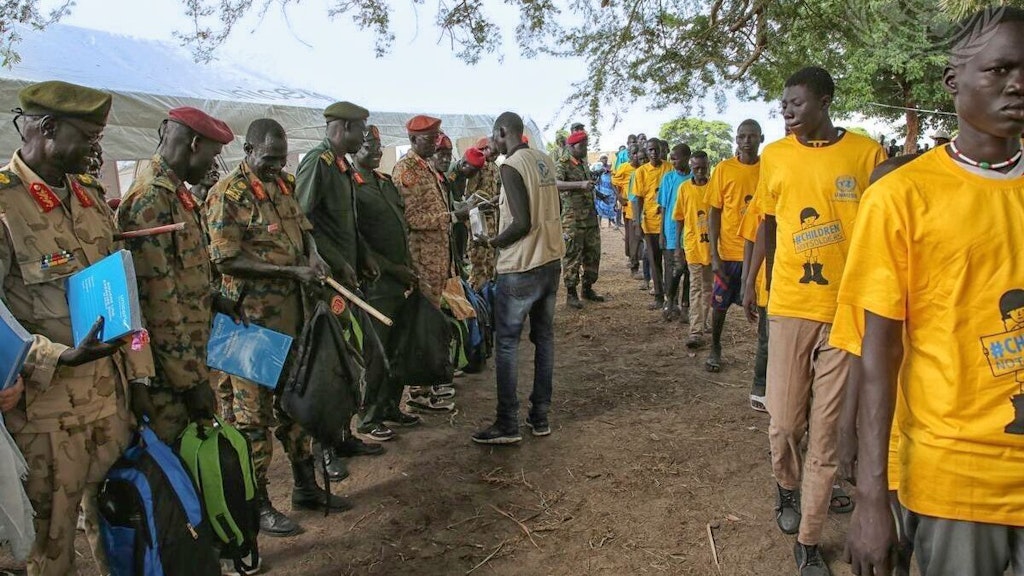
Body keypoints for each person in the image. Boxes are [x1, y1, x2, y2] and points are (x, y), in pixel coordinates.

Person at [843, 8, 1024, 576]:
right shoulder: (901, 198)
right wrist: (873, 496)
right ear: (954, 82)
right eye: (999, 69)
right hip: (957, 480)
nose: (1018, 83)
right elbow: (877, 355)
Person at [1, 80, 155, 576]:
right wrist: (55, 356)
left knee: (117, 522)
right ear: (47, 128)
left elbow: (124, 296)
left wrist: (140, 375)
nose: (96, 148)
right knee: (52, 545)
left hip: (110, 402)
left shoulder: (89, 198)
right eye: (88, 137)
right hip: (46, 417)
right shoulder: (5, 205)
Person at [746, 66, 886, 575]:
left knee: (825, 433)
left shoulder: (867, 154)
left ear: (825, 101)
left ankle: (807, 538)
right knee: (784, 423)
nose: (786, 111)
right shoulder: (775, 156)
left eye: (797, 103)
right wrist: (750, 281)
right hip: (788, 307)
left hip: (846, 313)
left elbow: (885, 225)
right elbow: (769, 223)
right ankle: (787, 484)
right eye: (783, 104)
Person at [205, 118, 351, 538]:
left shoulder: (285, 184)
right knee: (252, 419)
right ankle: (260, 504)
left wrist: (314, 256)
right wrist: (290, 271)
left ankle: (305, 487)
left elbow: (305, 234)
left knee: (296, 407)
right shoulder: (227, 195)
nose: (274, 166)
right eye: (267, 159)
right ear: (248, 150)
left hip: (292, 319)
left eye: (280, 159)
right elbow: (225, 259)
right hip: (248, 327)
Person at [117, 107, 241, 447]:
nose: (212, 166)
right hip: (167, 378)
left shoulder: (177, 195)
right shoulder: (150, 200)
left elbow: (182, 272)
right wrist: (191, 382)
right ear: (195, 144)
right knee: (177, 468)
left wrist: (213, 296)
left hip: (188, 361)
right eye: (212, 155)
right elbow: (156, 303)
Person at [294, 101, 384, 474]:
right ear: (343, 127)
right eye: (360, 129)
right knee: (331, 363)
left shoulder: (341, 166)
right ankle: (323, 447)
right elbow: (302, 221)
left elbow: (347, 224)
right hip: (327, 283)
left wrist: (362, 255)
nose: (364, 136)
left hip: (347, 279)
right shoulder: (317, 163)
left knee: (353, 358)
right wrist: (334, 260)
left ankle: (343, 434)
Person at [471, 111, 565, 445]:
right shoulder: (544, 160)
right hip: (550, 262)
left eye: (494, 137)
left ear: (502, 132)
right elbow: (553, 208)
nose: (493, 143)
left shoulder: (509, 166)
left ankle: (506, 423)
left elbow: (522, 222)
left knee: (508, 344)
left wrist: (492, 242)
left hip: (520, 267)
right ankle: (540, 416)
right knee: (545, 340)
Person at [352, 125, 423, 438]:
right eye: (369, 146)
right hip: (377, 282)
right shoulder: (350, 186)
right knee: (377, 353)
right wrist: (394, 269)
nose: (377, 151)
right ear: (356, 149)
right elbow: (358, 242)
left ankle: (391, 407)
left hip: (399, 280)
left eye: (379, 146)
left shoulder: (383, 182)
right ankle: (369, 416)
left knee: (397, 349)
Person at [393, 115, 459, 412]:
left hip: (436, 260)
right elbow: (410, 218)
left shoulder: (425, 168)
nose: (435, 142)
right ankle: (419, 394)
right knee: (423, 327)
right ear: (413, 140)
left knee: (431, 326)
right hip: (421, 262)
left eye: (436, 137)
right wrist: (450, 218)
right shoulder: (406, 171)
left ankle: (428, 386)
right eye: (430, 138)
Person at [705, 119, 764, 373]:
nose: (746, 141)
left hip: (759, 255)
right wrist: (714, 254)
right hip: (729, 252)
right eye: (742, 136)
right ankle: (715, 347)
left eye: (752, 136)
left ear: (761, 139)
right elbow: (713, 212)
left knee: (764, 306)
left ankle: (764, 356)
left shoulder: (769, 169)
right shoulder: (723, 169)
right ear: (736, 140)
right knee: (719, 304)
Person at [556, 130, 604, 309]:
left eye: (586, 145)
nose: (585, 149)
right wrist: (579, 184)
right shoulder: (562, 164)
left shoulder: (583, 163)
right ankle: (571, 293)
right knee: (572, 256)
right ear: (571, 146)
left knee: (593, 253)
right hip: (572, 219)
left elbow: (587, 185)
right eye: (581, 146)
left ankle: (588, 288)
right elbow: (556, 183)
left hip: (590, 217)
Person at [672, 151, 713, 347]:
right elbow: (679, 218)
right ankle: (696, 330)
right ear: (691, 167)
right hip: (692, 245)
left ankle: (705, 321)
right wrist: (678, 246)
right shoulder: (684, 189)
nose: (699, 171)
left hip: (713, 247)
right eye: (696, 168)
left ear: (708, 166)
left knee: (708, 287)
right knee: (696, 287)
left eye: (703, 168)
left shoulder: (715, 187)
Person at [634, 138, 673, 310]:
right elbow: (637, 199)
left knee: (670, 262)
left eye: (656, 149)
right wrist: (637, 222)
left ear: (661, 150)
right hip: (650, 223)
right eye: (650, 150)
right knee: (654, 260)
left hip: (669, 224)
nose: (653, 153)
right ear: (647, 151)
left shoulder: (669, 168)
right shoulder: (641, 172)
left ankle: (671, 297)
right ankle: (658, 296)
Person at [658, 143, 692, 321]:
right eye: (671, 157)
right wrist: (662, 233)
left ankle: (685, 305)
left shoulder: (695, 178)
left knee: (688, 271)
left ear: (687, 158)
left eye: (676, 158)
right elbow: (663, 207)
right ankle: (669, 301)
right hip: (671, 232)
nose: (672, 161)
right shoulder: (668, 179)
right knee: (674, 270)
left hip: (691, 233)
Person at [466, 137, 501, 290]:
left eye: (497, 154)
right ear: (484, 149)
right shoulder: (477, 167)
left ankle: (488, 295)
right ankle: (477, 296)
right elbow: (470, 197)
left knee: (490, 259)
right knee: (479, 260)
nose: (495, 156)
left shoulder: (495, 167)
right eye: (493, 153)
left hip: (491, 218)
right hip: (478, 219)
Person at [612, 144, 643, 279]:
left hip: (645, 210)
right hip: (630, 209)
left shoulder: (644, 168)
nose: (636, 156)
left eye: (638, 153)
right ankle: (634, 265)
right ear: (629, 155)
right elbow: (614, 182)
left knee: (641, 238)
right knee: (633, 238)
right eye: (634, 153)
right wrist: (619, 197)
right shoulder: (624, 168)